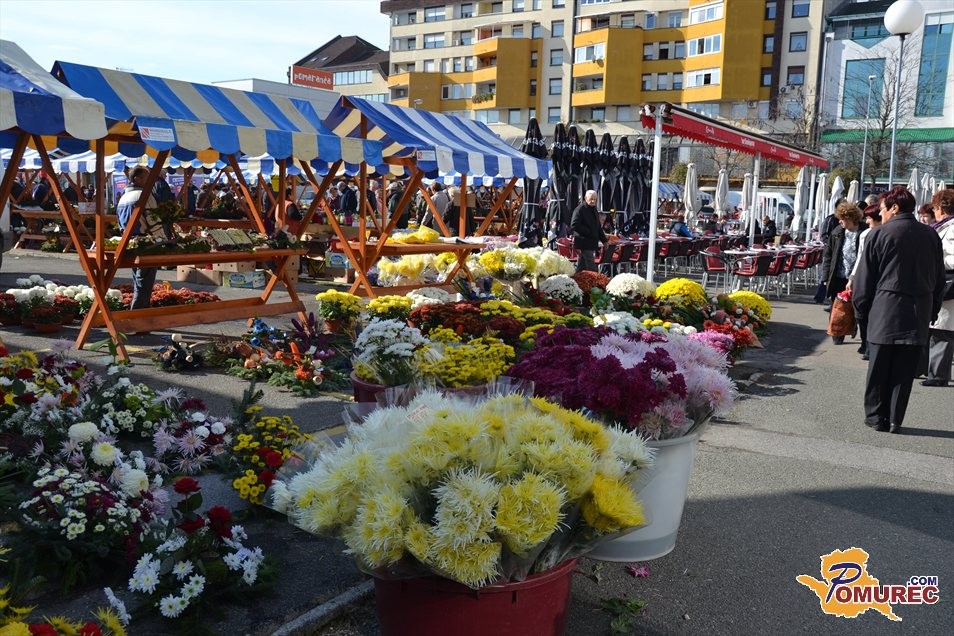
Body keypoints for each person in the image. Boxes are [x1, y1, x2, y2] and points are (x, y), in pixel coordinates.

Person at [853, 186, 946, 434]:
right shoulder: (931, 235)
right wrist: (933, 309)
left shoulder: (878, 235)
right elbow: (939, 279)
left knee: (878, 369)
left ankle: (876, 417)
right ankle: (895, 418)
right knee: (904, 372)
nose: (881, 214)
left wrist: (861, 311)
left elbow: (864, 281)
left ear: (894, 208)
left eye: (883, 209)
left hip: (885, 309)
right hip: (919, 310)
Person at [923, 189, 954, 387]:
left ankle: (938, 376)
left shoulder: (951, 228)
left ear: (942, 207)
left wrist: (935, 262)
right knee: (938, 330)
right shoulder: (944, 226)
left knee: (942, 331)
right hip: (942, 284)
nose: (934, 212)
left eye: (934, 208)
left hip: (947, 284)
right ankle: (933, 373)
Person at [116, 166, 158, 312]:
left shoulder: (123, 197)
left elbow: (119, 222)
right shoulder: (144, 195)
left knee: (138, 280)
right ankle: (138, 314)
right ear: (137, 179)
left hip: (129, 242)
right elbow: (154, 221)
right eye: (147, 178)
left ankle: (138, 313)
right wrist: (162, 240)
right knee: (144, 283)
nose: (150, 181)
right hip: (146, 243)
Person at [846, 203, 883, 360]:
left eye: (869, 218)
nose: (867, 221)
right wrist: (852, 278)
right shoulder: (865, 235)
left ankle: (870, 346)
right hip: (864, 277)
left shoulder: (887, 233)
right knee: (861, 312)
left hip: (880, 280)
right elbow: (860, 257)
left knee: (874, 314)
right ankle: (865, 342)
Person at [821, 201, 863, 331]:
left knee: (857, 308)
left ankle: (853, 328)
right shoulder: (837, 232)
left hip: (857, 278)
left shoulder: (864, 232)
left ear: (850, 218)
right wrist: (825, 277)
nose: (839, 221)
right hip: (838, 276)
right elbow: (828, 256)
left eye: (842, 219)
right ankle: (837, 334)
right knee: (837, 309)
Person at [571, 189, 606, 273]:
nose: (593, 201)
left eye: (595, 199)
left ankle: (576, 278)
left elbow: (598, 227)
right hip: (584, 242)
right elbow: (574, 225)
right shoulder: (580, 209)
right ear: (585, 198)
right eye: (591, 199)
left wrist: (604, 240)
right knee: (591, 265)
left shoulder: (594, 210)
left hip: (591, 242)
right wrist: (588, 232)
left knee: (582, 266)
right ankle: (596, 280)